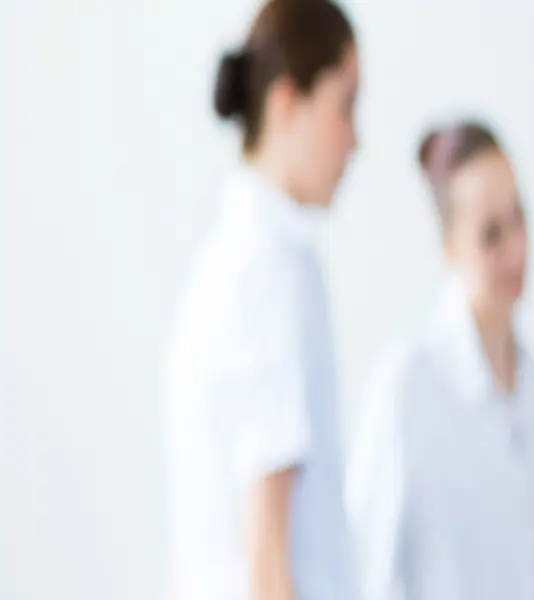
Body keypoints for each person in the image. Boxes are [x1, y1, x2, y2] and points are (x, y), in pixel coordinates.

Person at [161, 1, 359, 598]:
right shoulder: (269, 272)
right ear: (286, 103)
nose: (356, 140)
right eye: (345, 106)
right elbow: (268, 553)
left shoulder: (236, 259)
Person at [345, 121, 534, 600]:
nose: (517, 249)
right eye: (491, 234)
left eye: (519, 218)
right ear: (450, 247)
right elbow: (363, 570)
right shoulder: (408, 384)